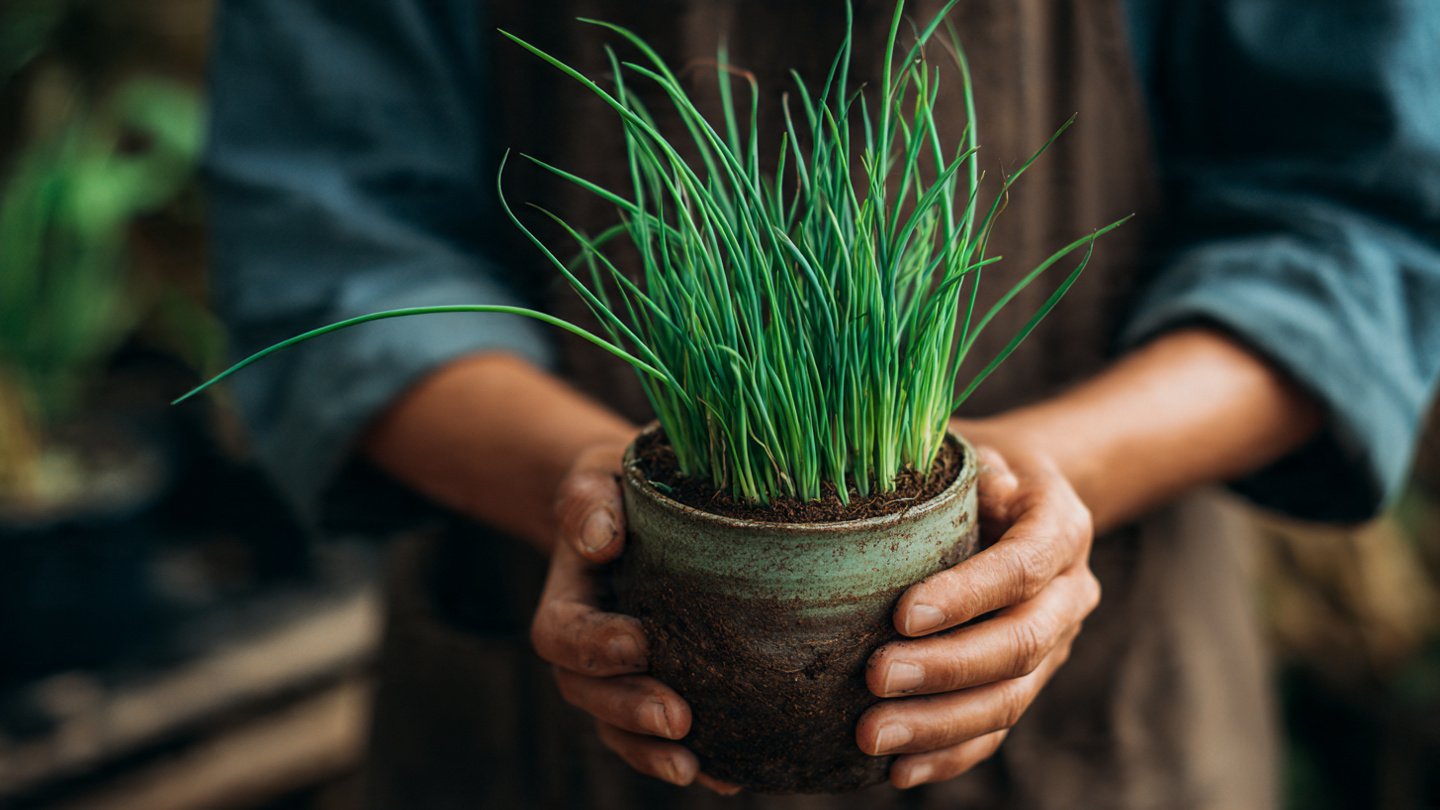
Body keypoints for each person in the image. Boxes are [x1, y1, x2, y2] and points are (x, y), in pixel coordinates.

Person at [203, 0, 1440, 807]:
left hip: (1104, 729)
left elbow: (1357, 217)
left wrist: (1037, 484)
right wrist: (587, 487)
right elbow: (332, 245)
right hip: (531, 733)